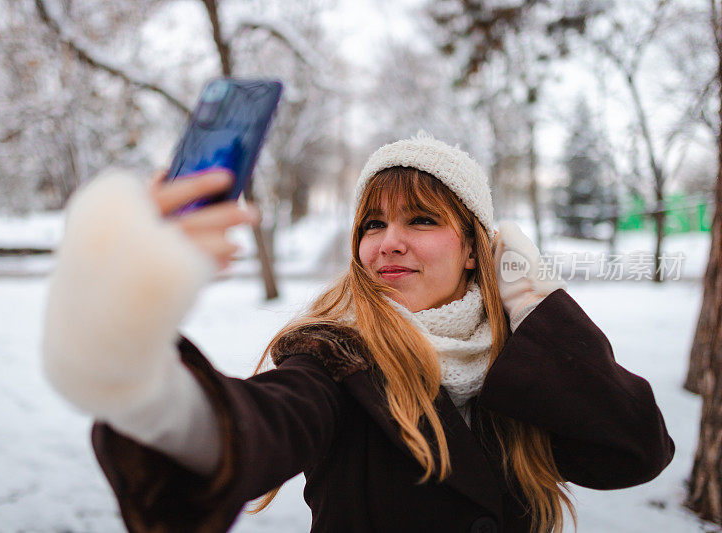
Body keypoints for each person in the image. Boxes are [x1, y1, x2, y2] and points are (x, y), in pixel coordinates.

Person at [42, 132, 674, 533]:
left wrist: (540, 309)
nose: (388, 243)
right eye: (372, 224)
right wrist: (129, 366)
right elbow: (258, 424)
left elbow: (635, 449)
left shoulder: (523, 365)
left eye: (421, 219)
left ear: (479, 250)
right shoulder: (334, 355)